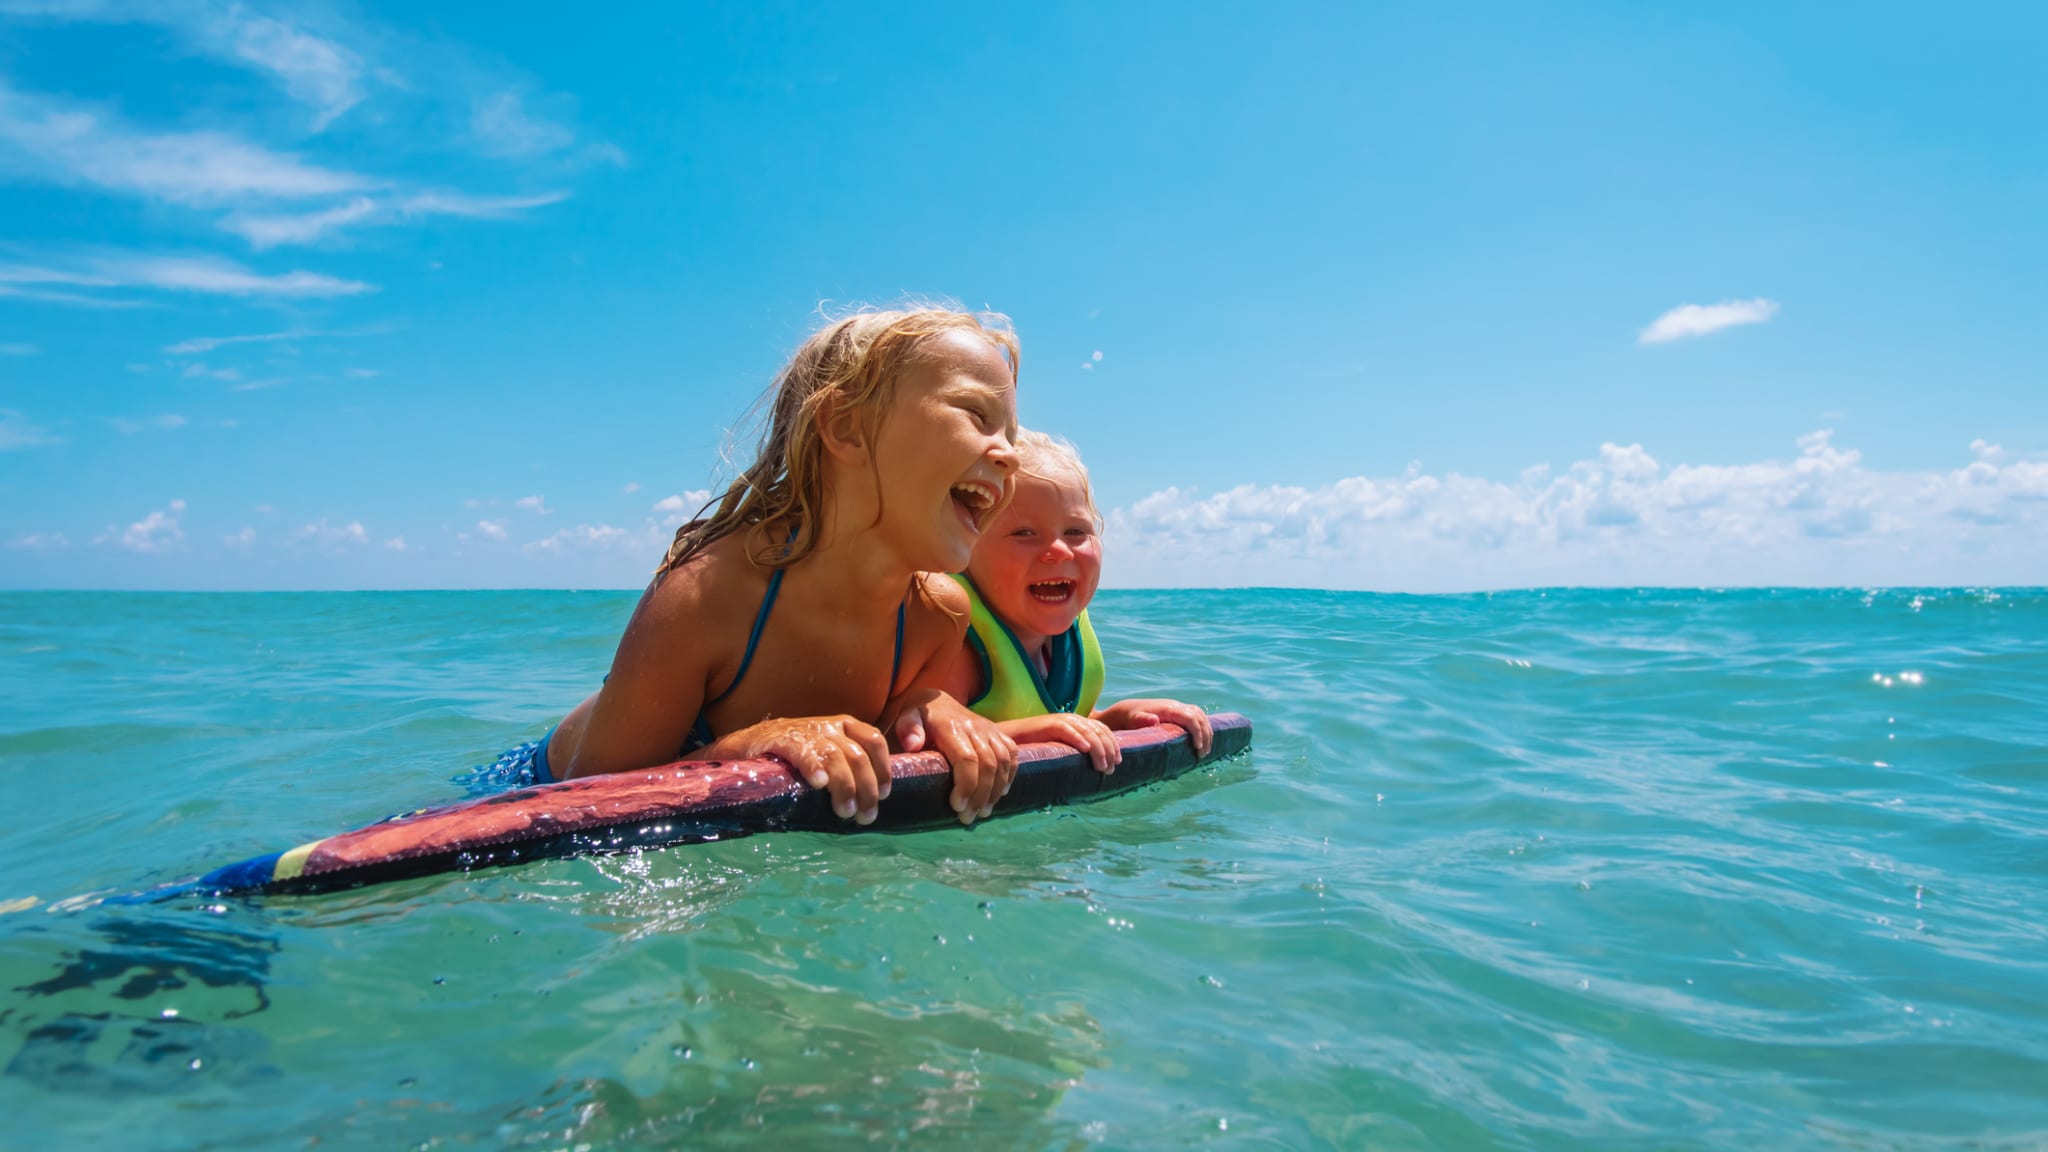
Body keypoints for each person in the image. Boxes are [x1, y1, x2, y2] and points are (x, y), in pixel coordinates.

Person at [505, 307, 1027, 826]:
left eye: (1011, 435)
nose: (1010, 455)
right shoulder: (710, 593)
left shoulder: (937, 613)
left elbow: (879, 767)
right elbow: (590, 803)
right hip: (533, 783)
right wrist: (746, 746)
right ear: (846, 428)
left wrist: (931, 707)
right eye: (976, 416)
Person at [938, 429, 1213, 773]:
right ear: (965, 550)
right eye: (1024, 533)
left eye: (1076, 532)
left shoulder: (1071, 637)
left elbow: (1074, 720)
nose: (1059, 550)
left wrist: (1118, 717)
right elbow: (924, 741)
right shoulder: (959, 641)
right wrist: (1033, 734)